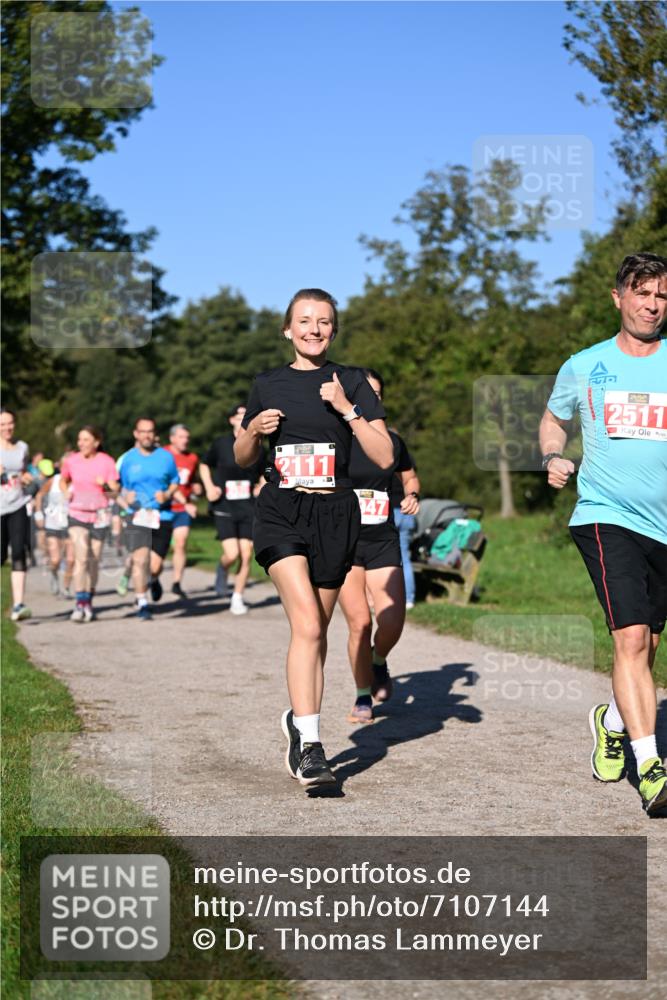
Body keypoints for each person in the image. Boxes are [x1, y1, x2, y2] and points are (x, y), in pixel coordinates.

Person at [234, 288, 393, 788]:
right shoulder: (267, 383)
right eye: (304, 321)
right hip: (282, 509)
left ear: (334, 330)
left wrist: (348, 409)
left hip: (335, 513)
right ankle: (312, 747)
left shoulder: (351, 382)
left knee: (316, 631)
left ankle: (297, 725)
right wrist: (253, 431)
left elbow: (385, 455)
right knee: (307, 624)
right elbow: (242, 458)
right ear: (288, 329)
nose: (314, 329)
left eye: (324, 321)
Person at [539, 252, 667, 817]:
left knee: (649, 647)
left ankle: (612, 721)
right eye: (641, 293)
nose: (651, 305)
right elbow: (554, 419)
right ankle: (652, 765)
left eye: (661, 295)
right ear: (618, 297)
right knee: (631, 639)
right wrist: (552, 455)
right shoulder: (585, 365)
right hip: (604, 514)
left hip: (664, 526)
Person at [338, 369, 420, 722]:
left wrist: (412, 494)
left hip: (382, 539)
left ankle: (378, 659)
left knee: (392, 620)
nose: (371, 399)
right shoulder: (336, 438)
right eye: (364, 393)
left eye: (376, 394)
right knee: (359, 623)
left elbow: (409, 476)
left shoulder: (392, 442)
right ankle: (362, 696)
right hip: (344, 544)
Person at [200, 405, 265, 615]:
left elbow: (267, 469)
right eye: (239, 416)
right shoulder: (221, 443)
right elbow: (203, 464)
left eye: (248, 415)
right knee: (232, 554)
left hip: (248, 506)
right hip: (225, 505)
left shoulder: (258, 444)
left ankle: (237, 597)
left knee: (246, 555)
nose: (244, 419)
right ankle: (223, 568)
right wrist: (210, 487)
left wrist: (262, 484)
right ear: (231, 420)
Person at [118, 418, 180, 621]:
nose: (146, 435)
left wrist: (168, 494)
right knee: (140, 559)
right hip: (138, 515)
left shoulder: (166, 457)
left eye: (150, 431)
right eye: (142, 431)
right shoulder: (128, 459)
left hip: (162, 515)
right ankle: (142, 601)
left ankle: (153, 578)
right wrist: (125, 496)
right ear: (136, 434)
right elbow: (121, 487)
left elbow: (174, 481)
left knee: (154, 565)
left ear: (155, 435)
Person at [60, 426, 119, 622]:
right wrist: (65, 490)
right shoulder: (72, 461)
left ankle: (89, 599)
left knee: (94, 561)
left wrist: (104, 484)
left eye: (86, 440)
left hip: (100, 514)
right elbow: (63, 480)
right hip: (77, 513)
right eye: (80, 440)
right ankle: (79, 602)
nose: (81, 444)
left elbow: (115, 492)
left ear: (96, 442)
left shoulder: (107, 462)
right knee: (82, 557)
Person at [0, 408, 34, 620]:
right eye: (2, 424)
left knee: (19, 551)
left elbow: (25, 471)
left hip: (18, 504)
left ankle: (18, 605)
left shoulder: (22, 447)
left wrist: (28, 477)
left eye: (10, 423)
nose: (7, 428)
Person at [164, 423, 200, 600]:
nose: (185, 440)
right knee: (155, 549)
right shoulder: (162, 456)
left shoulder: (192, 458)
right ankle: (149, 576)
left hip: (182, 509)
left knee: (180, 543)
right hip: (162, 508)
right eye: (181, 437)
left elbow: (192, 481)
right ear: (172, 438)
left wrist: (197, 488)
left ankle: (177, 583)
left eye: (187, 437)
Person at [34, 455, 74, 597]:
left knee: (70, 559)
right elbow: (39, 495)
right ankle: (54, 575)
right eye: (64, 466)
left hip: (71, 524)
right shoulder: (54, 481)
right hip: (53, 523)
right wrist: (38, 513)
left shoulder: (77, 481)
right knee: (56, 559)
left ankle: (66, 587)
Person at [391, 440, 420, 609]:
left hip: (390, 511)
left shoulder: (373, 453)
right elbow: (412, 479)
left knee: (378, 558)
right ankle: (408, 598)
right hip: (406, 511)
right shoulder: (405, 455)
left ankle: (376, 599)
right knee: (404, 557)